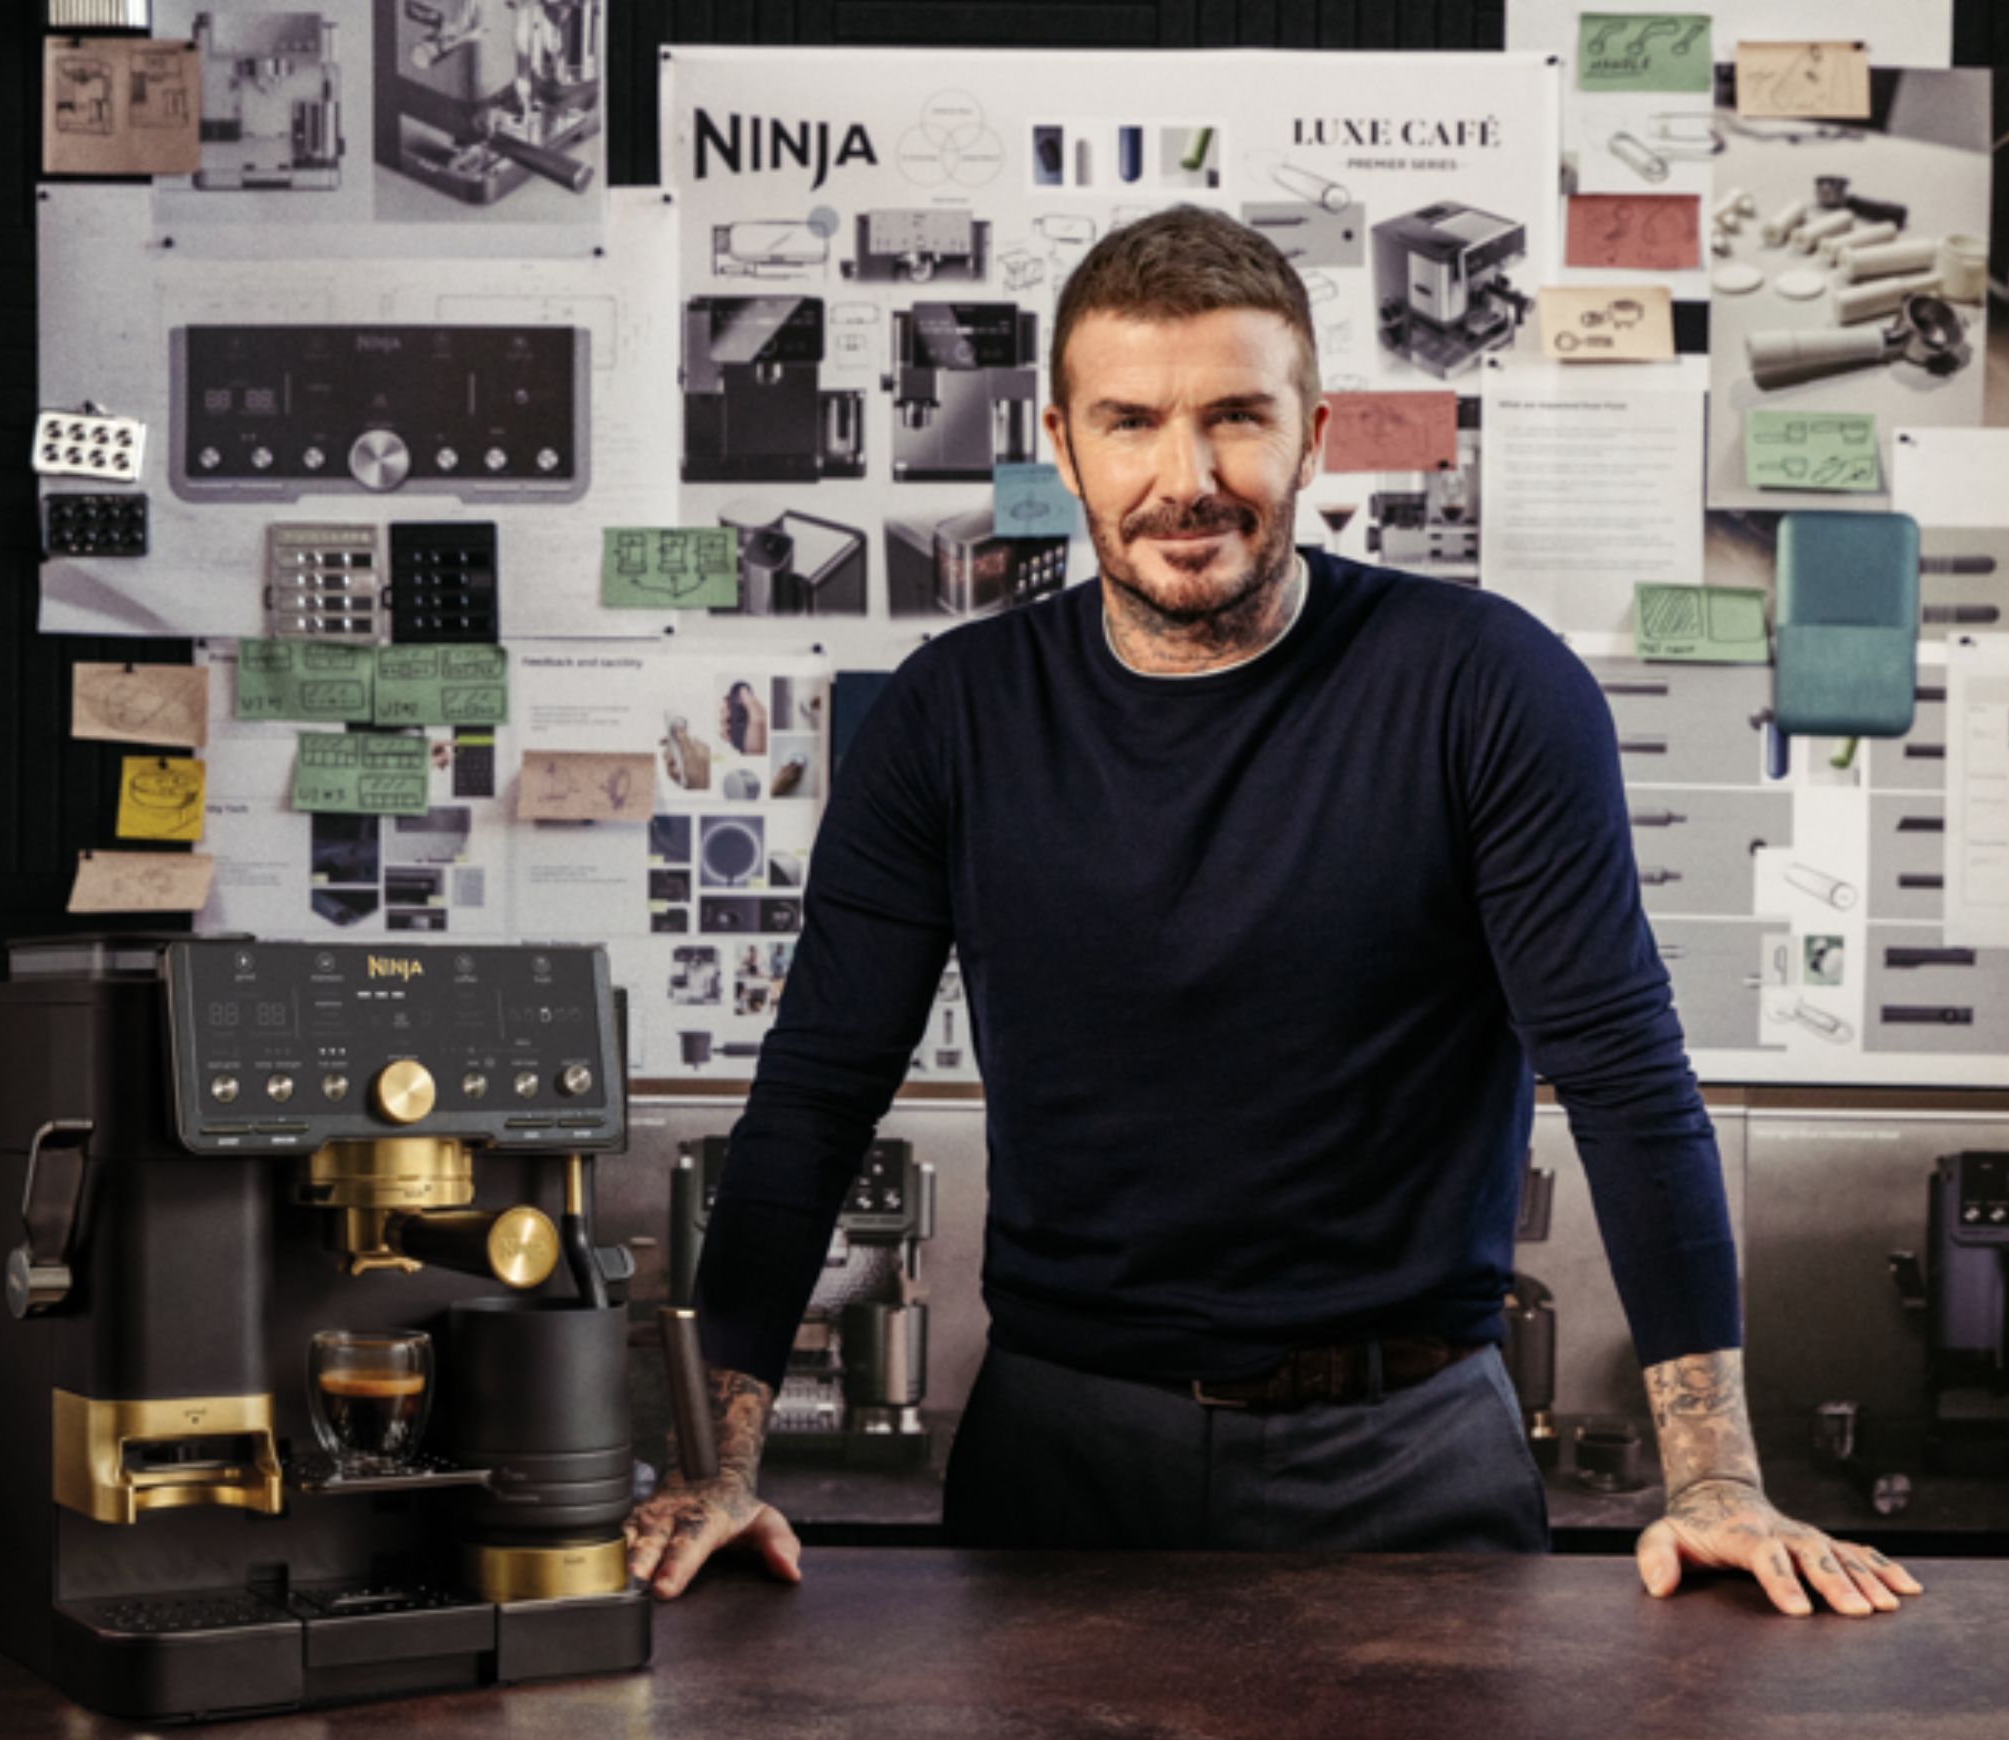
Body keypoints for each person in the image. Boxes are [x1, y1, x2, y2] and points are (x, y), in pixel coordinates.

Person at [623, 206, 1919, 1620]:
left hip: (1412, 1452)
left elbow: (1625, 1079)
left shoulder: (1486, 686)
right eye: (1130, 423)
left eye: (1236, 418)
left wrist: (1715, 1481)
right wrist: (717, 1466)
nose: (1185, 480)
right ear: (1060, 446)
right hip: (1058, 1455)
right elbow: (815, 1096)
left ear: (1314, 438)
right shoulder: (952, 715)